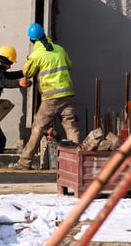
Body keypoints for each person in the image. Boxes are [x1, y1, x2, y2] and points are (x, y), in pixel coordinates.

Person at [12, 23, 80, 170]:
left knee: (38, 127)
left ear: (32, 40)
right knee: (71, 127)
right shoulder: (60, 50)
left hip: (51, 97)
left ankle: (25, 161)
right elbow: (69, 65)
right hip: (68, 94)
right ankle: (77, 162)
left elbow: (27, 73)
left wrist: (28, 60)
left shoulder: (37, 55)